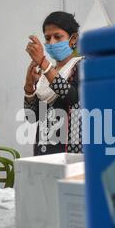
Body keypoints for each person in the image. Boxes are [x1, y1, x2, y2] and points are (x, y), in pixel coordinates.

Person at [24, 11, 83, 156]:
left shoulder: (82, 65)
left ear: (73, 38)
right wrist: (29, 86)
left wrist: (44, 63)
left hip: (71, 152)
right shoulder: (46, 76)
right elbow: (31, 116)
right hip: (44, 151)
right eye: (47, 38)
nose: (51, 42)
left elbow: (72, 97)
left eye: (58, 37)